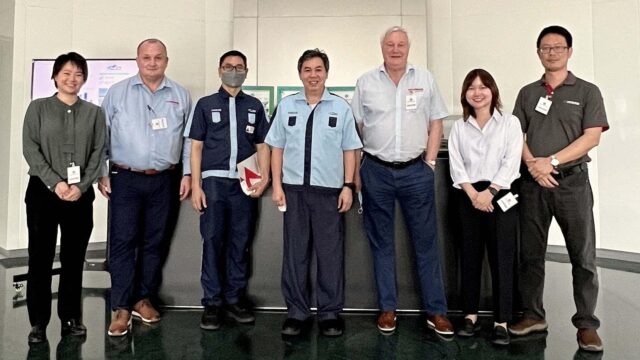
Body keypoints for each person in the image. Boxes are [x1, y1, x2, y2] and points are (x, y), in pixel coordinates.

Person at [509, 26, 609, 353]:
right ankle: (534, 315)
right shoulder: (527, 93)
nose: (551, 52)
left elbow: (591, 137)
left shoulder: (587, 91)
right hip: (534, 185)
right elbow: (515, 136)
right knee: (531, 255)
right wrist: (534, 167)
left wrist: (550, 161)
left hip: (572, 184)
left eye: (558, 47)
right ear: (538, 53)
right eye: (545, 48)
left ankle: (587, 325)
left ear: (569, 51)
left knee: (582, 256)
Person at [351, 25, 453, 335]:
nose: (395, 49)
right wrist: (356, 173)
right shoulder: (366, 82)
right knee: (381, 244)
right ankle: (388, 309)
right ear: (381, 48)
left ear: (409, 47)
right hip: (376, 171)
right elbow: (354, 128)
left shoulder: (424, 79)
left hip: (415, 172)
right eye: (390, 44)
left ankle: (437, 311)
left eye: (401, 44)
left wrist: (430, 163)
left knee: (426, 244)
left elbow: (436, 123)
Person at [98, 39, 193, 336]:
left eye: (158, 57)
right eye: (146, 57)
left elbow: (189, 141)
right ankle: (122, 306)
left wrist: (187, 174)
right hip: (125, 178)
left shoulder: (180, 95)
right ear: (137, 60)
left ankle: (142, 298)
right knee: (123, 241)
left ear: (167, 60)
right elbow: (102, 135)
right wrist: (103, 172)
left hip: (165, 179)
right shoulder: (117, 93)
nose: (152, 62)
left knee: (155, 242)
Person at [266, 49, 362, 337]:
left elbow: (350, 150)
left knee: (329, 255)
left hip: (329, 193)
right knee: (295, 254)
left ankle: (330, 313)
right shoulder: (286, 106)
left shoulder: (340, 108)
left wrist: (349, 186)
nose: (313, 75)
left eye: (318, 69)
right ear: (300, 74)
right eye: (307, 69)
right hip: (294, 192)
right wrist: (277, 186)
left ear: (326, 73)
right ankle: (297, 312)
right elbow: (276, 148)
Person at [22, 52, 106, 344]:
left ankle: (71, 318)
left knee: (73, 260)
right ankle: (38, 323)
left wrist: (81, 186)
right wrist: (55, 183)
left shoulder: (95, 113)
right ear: (55, 76)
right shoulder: (38, 108)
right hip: (42, 193)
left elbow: (99, 153)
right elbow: (30, 148)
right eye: (66, 73)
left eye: (78, 74)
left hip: (79, 196)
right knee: (40, 259)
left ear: (84, 78)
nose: (72, 79)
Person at [189, 50, 271, 330]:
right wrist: (196, 186)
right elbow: (196, 146)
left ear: (246, 71)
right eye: (228, 66)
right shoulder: (205, 104)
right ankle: (212, 303)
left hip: (244, 185)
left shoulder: (255, 106)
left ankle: (235, 299)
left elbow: (262, 145)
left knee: (240, 242)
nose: (233, 70)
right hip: (213, 184)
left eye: (239, 67)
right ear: (219, 70)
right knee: (212, 241)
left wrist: (266, 177)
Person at [448, 69, 523, 345]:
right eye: (471, 87)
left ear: (493, 91)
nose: (477, 92)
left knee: (502, 257)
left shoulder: (510, 123)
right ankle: (470, 315)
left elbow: (511, 162)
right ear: (465, 94)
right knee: (469, 256)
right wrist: (474, 195)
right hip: (468, 197)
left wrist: (489, 193)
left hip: (502, 195)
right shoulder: (459, 126)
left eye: (483, 87)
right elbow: (456, 165)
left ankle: (502, 320)